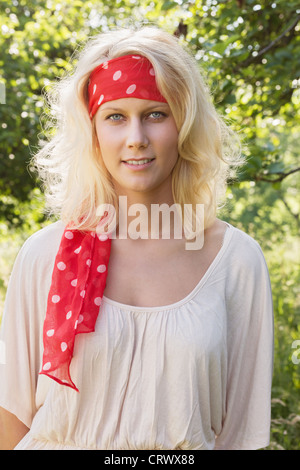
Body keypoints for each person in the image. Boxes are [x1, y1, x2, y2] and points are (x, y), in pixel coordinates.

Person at [0, 26, 273, 450]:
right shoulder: (47, 255)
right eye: (115, 117)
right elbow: (10, 419)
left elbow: (242, 435)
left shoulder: (236, 261)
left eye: (155, 114)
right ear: (92, 132)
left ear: (184, 123)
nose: (136, 139)